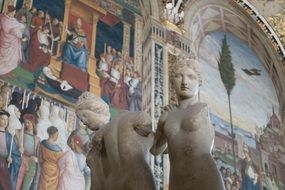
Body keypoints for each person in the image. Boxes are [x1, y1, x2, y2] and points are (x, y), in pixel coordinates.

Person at [150, 58, 225, 190]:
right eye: (179, 76)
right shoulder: (170, 114)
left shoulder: (203, 109)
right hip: (177, 181)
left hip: (204, 178)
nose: (185, 82)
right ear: (172, 81)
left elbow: (208, 144)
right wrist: (161, 123)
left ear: (199, 81)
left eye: (191, 77)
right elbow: (155, 150)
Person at [16, 114, 40, 190]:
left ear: (33, 123)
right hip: (21, 160)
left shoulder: (37, 139)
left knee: (25, 187)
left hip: (31, 164)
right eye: (26, 123)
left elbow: (38, 155)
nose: (27, 124)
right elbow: (15, 146)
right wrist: (19, 148)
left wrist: (36, 158)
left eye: (29, 122)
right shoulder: (20, 134)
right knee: (17, 183)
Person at [0, 5, 25, 75]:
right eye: (14, 12)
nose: (14, 14)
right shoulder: (13, 22)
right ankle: (5, 69)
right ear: (11, 12)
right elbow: (19, 34)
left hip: (3, 39)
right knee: (9, 57)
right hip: (10, 42)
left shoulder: (1, 16)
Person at [0, 110, 21, 190]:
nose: (5, 122)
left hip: (4, 167)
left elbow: (16, 155)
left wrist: (12, 159)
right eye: (2, 119)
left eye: (7, 119)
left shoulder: (9, 137)